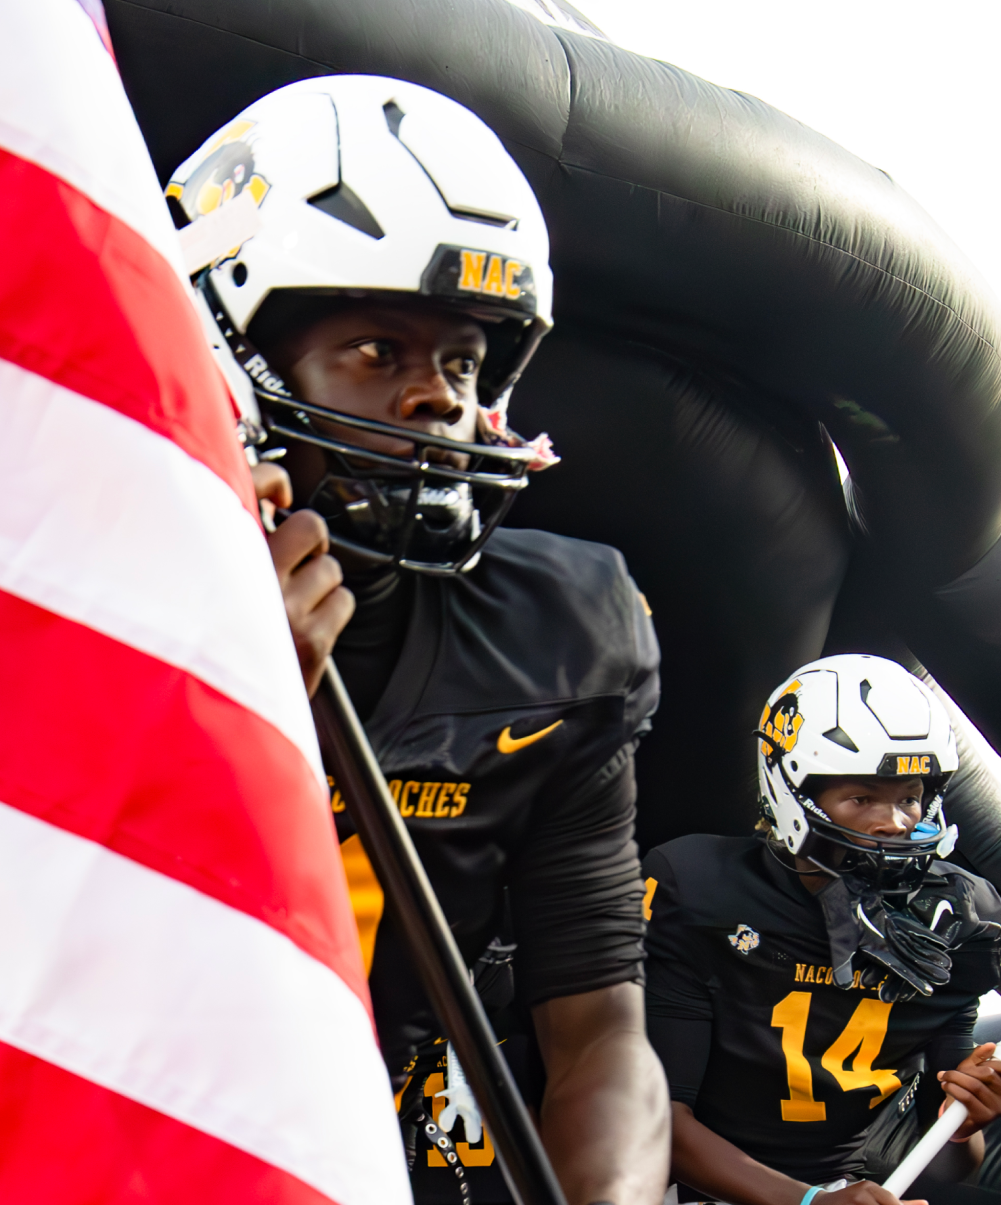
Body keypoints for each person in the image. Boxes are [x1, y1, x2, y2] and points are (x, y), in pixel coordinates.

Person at [188, 76, 670, 1204]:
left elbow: (600, 1027)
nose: (436, 400)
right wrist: (223, 710)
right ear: (232, 357)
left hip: (335, 1156)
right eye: (375, 346)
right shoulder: (77, 577)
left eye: (460, 360)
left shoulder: (561, 633)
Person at [643, 655, 1001, 1205]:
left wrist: (963, 1121)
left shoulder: (960, 915)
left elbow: (945, 1167)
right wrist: (805, 1203)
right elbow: (653, 1119)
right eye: (862, 797)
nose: (894, 822)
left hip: (841, 1181)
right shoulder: (700, 888)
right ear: (793, 791)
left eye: (909, 797)